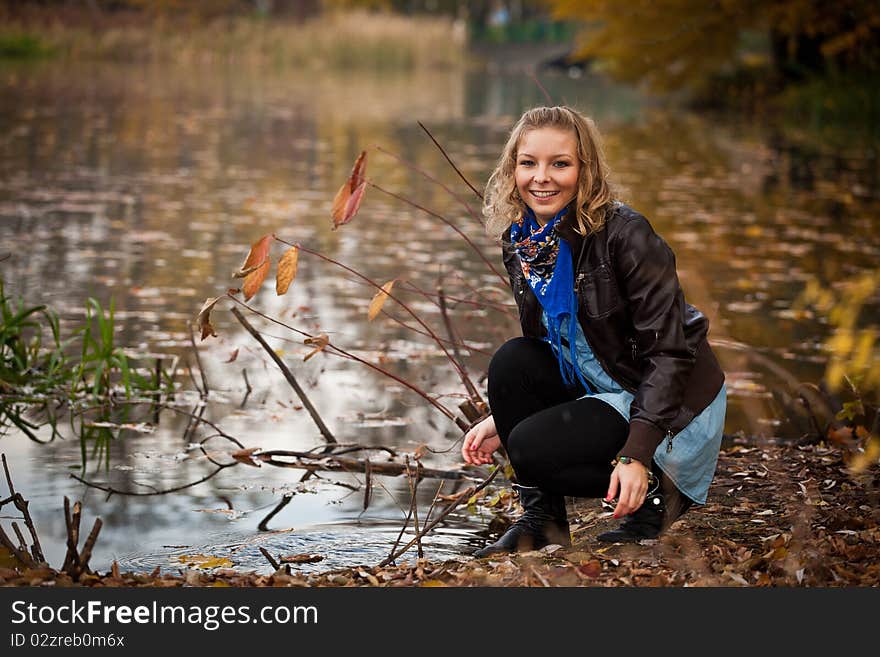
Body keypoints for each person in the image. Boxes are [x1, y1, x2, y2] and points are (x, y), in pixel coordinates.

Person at [462, 106, 726, 557]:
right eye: (528, 163)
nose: (540, 178)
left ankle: (659, 496)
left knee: (531, 447)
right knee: (513, 360)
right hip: (602, 382)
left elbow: (670, 354)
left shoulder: (628, 235)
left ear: (586, 171)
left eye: (559, 163)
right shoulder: (523, 239)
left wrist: (636, 454)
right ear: (512, 169)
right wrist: (502, 418)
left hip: (671, 405)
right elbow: (545, 342)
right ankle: (543, 522)